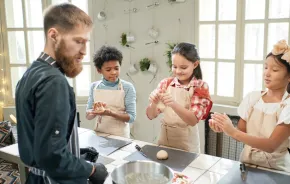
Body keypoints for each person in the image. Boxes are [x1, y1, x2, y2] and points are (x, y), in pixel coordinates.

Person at [15, 3, 108, 183]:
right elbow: (52, 157)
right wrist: (91, 169)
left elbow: (42, 145)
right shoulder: (54, 82)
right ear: (54, 35)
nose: (84, 52)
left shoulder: (30, 74)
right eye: (78, 41)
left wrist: (75, 153)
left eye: (85, 42)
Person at [210, 39, 290, 172]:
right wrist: (223, 127)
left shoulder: (287, 106)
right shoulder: (253, 98)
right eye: (265, 67)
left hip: (277, 172)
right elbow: (241, 133)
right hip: (247, 167)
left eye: (275, 70)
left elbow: (271, 145)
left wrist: (233, 132)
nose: (267, 73)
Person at [146, 42, 212, 153]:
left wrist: (173, 103)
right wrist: (154, 103)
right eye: (174, 66)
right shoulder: (166, 83)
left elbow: (192, 120)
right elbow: (151, 115)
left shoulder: (200, 86)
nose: (178, 71)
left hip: (187, 146)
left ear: (195, 64)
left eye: (183, 67)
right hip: (164, 141)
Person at [86, 46, 136, 138]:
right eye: (108, 70)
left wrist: (110, 113)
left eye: (116, 68)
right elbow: (88, 116)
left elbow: (131, 118)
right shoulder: (94, 87)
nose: (113, 72)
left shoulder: (127, 87)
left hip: (120, 136)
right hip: (99, 134)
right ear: (99, 70)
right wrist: (94, 111)